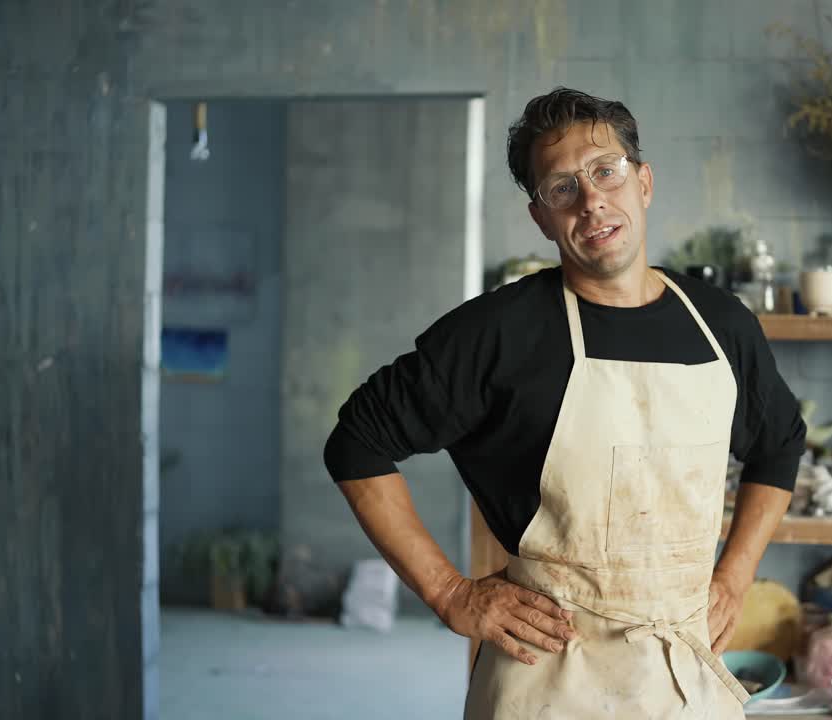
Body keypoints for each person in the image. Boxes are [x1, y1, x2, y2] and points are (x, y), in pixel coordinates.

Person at [325, 87, 807, 718]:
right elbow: (357, 442)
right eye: (562, 187)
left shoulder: (720, 324)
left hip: (686, 678)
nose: (591, 200)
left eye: (605, 171)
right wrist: (448, 593)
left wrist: (736, 574)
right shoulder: (500, 333)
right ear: (541, 217)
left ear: (643, 182)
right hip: (550, 676)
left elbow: (778, 443)